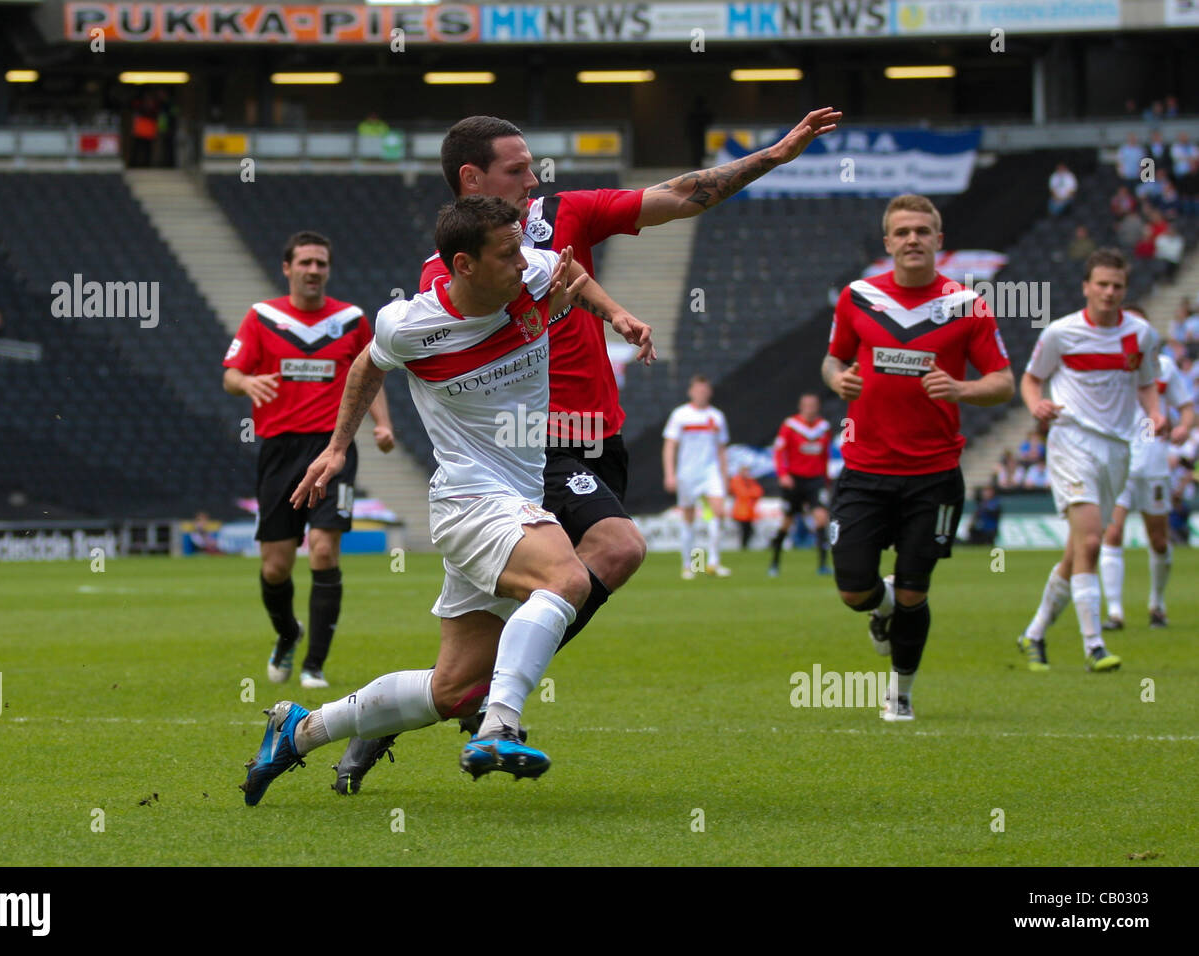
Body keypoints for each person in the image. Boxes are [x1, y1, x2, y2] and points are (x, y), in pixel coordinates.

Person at [330, 106, 842, 794]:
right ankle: (494, 708)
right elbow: (409, 363)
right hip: (536, 448)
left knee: (503, 634)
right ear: (473, 178)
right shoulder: (449, 276)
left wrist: (773, 156)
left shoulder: (563, 215)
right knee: (618, 549)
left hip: (601, 436)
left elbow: (682, 194)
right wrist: (353, 441)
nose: (535, 176)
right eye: (518, 168)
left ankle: (426, 705)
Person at [239, 197, 651, 803]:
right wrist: (335, 448)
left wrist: (617, 315)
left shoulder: (532, 274)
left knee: (451, 688)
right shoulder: (409, 323)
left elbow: (571, 274)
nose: (524, 260)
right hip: (469, 501)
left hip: (515, 495)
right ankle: (498, 726)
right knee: (566, 578)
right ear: (463, 264)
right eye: (507, 252)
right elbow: (367, 367)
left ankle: (300, 730)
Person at [821, 194, 1015, 721]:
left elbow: (1003, 382)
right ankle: (877, 607)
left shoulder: (966, 305)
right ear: (887, 242)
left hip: (933, 477)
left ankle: (900, 692)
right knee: (853, 589)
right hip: (864, 470)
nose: (912, 239)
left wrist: (960, 389)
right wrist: (838, 379)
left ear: (938, 240)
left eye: (922, 231)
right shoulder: (857, 297)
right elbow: (833, 359)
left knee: (913, 591)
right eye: (902, 231)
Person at [223, 230, 396, 690]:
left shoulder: (353, 319)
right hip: (279, 449)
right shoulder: (262, 317)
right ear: (287, 268)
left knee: (323, 549)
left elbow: (369, 375)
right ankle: (288, 633)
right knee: (275, 566)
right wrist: (247, 385)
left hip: (332, 448)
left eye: (321, 263)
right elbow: (231, 375)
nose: (314, 270)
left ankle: (314, 665)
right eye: (305, 262)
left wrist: (382, 423)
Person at [1016, 248, 1164, 674]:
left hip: (1117, 449)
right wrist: (1036, 405)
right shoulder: (1061, 333)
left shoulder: (1141, 336)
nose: (1109, 292)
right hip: (1072, 440)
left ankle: (1036, 632)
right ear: (1086, 287)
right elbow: (1031, 378)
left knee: (1077, 550)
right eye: (1101, 284)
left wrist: (1155, 413)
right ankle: (1094, 645)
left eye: (1117, 286)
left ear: (1125, 289)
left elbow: (1148, 382)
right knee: (1094, 543)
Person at [1100, 346, 1194, 629]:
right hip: (1119, 462)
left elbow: (1187, 407)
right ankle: (1115, 613)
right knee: (1112, 534)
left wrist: (1184, 428)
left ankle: (1157, 604)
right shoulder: (1107, 364)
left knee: (1159, 540)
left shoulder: (1164, 367)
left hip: (1154, 465)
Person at [663, 375, 732, 578]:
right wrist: (670, 473)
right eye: (698, 390)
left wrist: (725, 475)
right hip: (688, 473)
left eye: (705, 390)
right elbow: (670, 446)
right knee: (689, 518)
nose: (701, 393)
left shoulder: (717, 417)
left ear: (709, 392)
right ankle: (691, 564)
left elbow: (721, 449)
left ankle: (712, 561)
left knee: (718, 512)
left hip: (710, 472)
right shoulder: (681, 415)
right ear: (691, 392)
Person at [767, 392, 833, 576]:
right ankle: (774, 563)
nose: (810, 409)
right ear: (801, 406)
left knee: (821, 518)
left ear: (817, 407)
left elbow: (824, 456)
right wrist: (782, 474)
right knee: (787, 522)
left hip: (815, 480)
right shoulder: (790, 426)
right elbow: (779, 451)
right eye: (807, 405)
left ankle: (822, 565)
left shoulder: (823, 428)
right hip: (795, 480)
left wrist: (825, 480)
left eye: (813, 405)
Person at [729, 465, 763, 550]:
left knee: (749, 531)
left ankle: (745, 547)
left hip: (750, 512)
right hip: (740, 512)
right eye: (745, 471)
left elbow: (759, 492)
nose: (747, 473)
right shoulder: (736, 480)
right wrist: (751, 493)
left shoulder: (751, 481)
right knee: (743, 531)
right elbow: (743, 493)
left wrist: (750, 493)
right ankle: (743, 547)